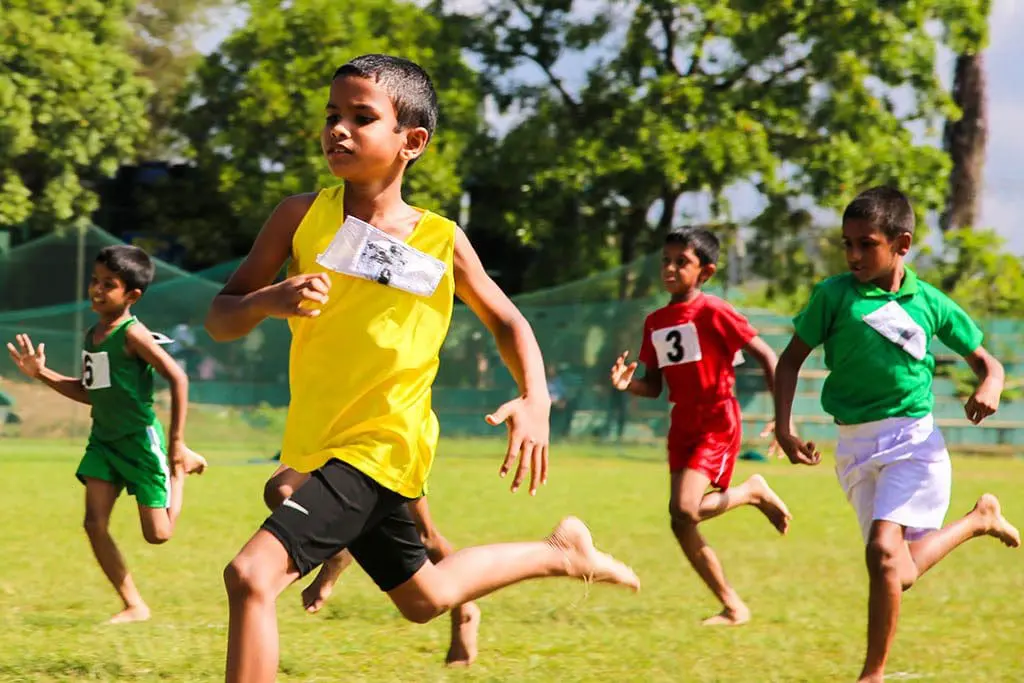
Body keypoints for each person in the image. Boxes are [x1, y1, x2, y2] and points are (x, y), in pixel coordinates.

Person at [204, 54, 639, 683]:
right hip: (318, 443)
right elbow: (222, 315)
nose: (339, 130)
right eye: (332, 116)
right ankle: (560, 553)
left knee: (250, 576)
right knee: (424, 598)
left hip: (384, 445)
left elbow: (509, 323)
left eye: (361, 117)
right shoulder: (298, 216)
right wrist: (269, 301)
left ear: (413, 142)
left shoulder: (438, 240)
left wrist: (535, 399)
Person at [772, 186, 1021, 682]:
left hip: (914, 442)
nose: (854, 255)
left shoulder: (928, 302)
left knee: (883, 553)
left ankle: (872, 674)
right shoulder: (834, 295)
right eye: (847, 244)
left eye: (867, 244)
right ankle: (977, 520)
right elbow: (789, 362)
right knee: (896, 571)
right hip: (855, 446)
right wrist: (784, 427)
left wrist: (990, 382)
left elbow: (986, 362)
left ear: (901, 244)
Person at [6, 245, 207, 624]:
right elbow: (87, 391)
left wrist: (176, 442)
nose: (97, 290)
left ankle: (181, 468)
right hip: (104, 440)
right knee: (93, 523)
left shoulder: (134, 334)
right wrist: (41, 374)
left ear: (132, 296)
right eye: (95, 281)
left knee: (158, 535)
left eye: (108, 284)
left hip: (138, 441)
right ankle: (134, 604)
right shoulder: (92, 334)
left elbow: (178, 378)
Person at [609, 228, 791, 626]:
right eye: (665, 260)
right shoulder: (656, 321)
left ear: (705, 272)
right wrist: (628, 384)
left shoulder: (715, 311)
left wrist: (782, 418)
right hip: (682, 423)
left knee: (684, 507)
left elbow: (767, 356)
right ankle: (732, 606)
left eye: (682, 262)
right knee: (680, 520)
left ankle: (750, 492)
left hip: (716, 417)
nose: (670, 268)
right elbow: (655, 386)